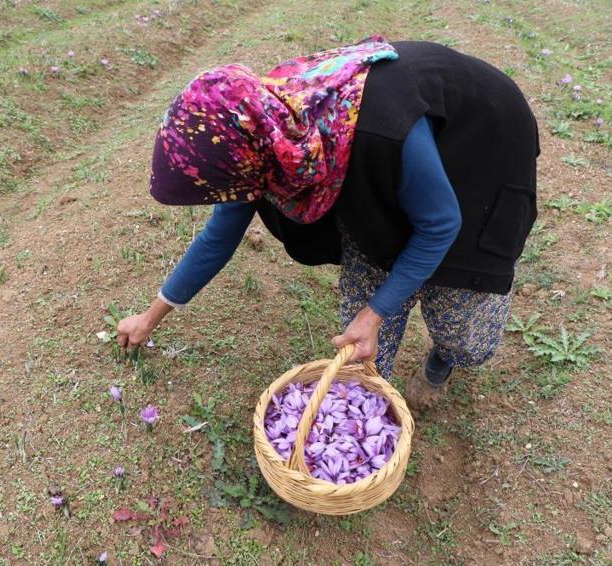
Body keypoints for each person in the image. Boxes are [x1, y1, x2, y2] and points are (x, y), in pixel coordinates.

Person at [115, 36, 539, 411]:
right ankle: (373, 402)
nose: (227, 199)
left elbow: (442, 225)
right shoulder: (262, 142)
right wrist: (149, 318)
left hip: (480, 147)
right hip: (395, 161)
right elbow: (217, 239)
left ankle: (444, 358)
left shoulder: (379, 131)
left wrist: (375, 313)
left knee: (464, 333)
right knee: (366, 323)